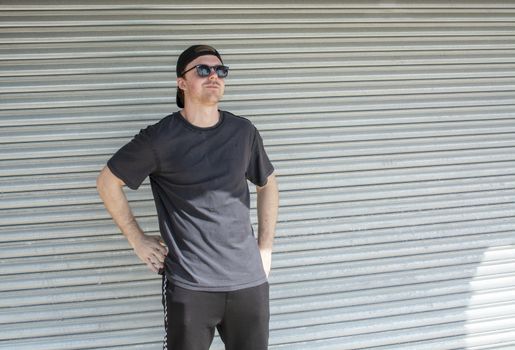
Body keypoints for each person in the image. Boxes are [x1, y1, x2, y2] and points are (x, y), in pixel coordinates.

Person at [96, 44, 279, 350]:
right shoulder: (159, 138)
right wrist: (137, 239)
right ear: (181, 82)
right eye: (203, 70)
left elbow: (268, 185)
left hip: (249, 283)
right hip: (191, 287)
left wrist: (265, 247)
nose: (214, 76)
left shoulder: (243, 132)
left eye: (221, 70)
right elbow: (107, 182)